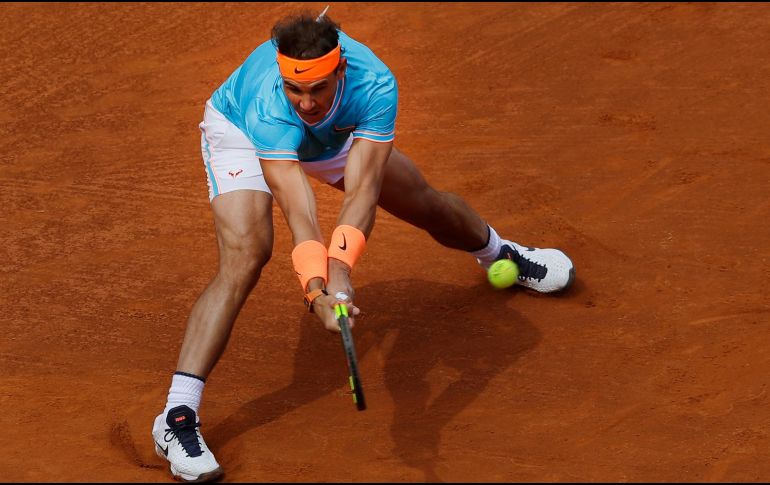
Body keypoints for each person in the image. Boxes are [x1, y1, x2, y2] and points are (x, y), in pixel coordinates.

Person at [151, 9, 575, 482]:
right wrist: (316, 290)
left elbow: (362, 194)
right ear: (281, 78)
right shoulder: (269, 106)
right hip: (244, 136)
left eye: (318, 89)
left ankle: (502, 253)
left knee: (423, 202)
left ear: (341, 71)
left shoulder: (375, 85)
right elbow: (300, 211)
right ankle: (176, 418)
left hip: (333, 139)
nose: (307, 103)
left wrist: (343, 277)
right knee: (247, 254)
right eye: (296, 88)